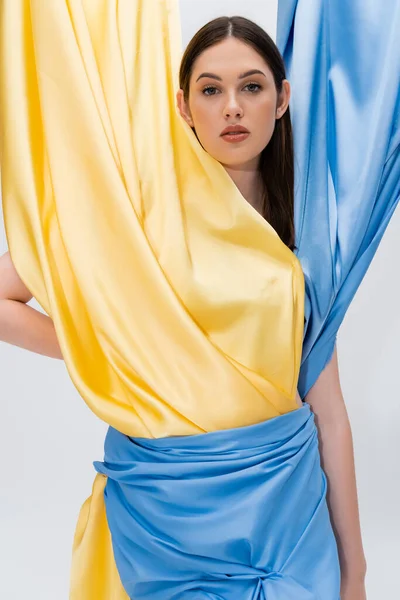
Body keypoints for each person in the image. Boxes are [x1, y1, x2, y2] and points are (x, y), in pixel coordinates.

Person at [1, 2, 398, 599]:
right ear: (182, 106)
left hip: (284, 518)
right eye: (210, 90)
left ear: (282, 98)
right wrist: (116, 350)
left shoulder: (310, 229)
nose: (232, 106)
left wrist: (357, 571)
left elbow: (331, 416)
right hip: (169, 520)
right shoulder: (141, 217)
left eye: (251, 86)